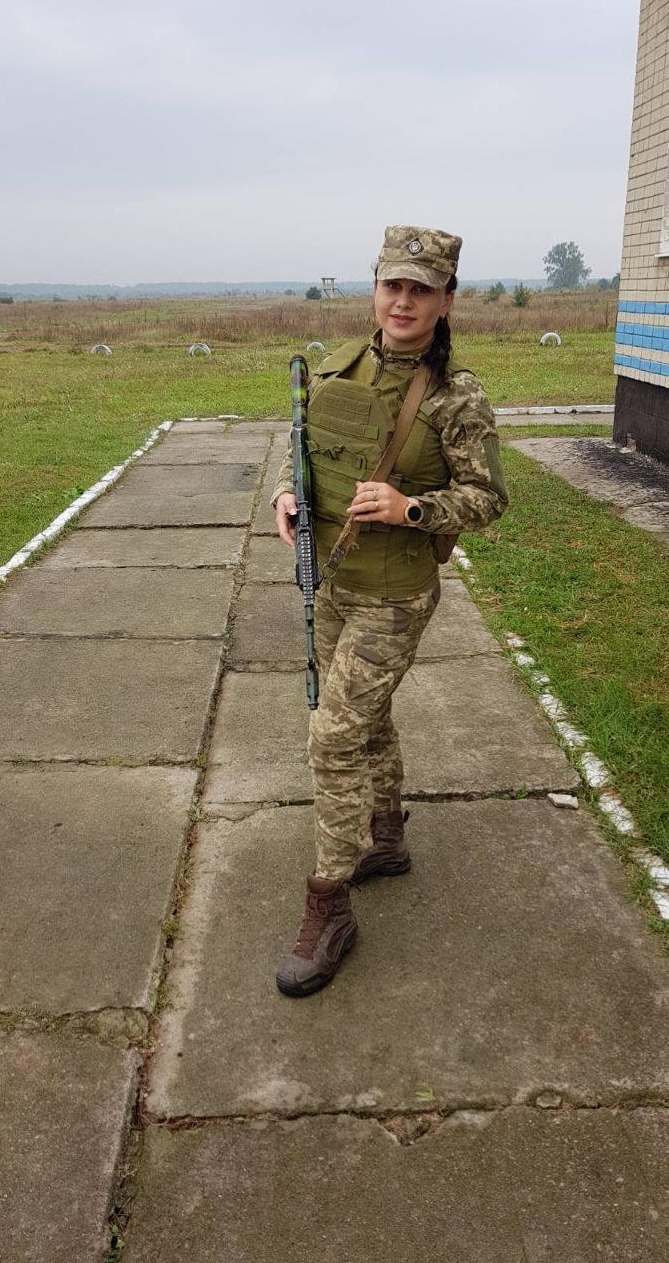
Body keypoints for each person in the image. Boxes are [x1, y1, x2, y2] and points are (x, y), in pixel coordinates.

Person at [271, 225, 508, 998]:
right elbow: (304, 449)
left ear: (447, 300)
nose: (402, 301)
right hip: (332, 580)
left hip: (395, 596)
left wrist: (412, 508)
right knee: (366, 721)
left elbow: (487, 499)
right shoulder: (339, 364)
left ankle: (330, 906)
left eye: (420, 289)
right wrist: (285, 494)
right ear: (375, 288)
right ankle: (387, 836)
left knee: (332, 735)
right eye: (391, 285)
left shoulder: (456, 395)